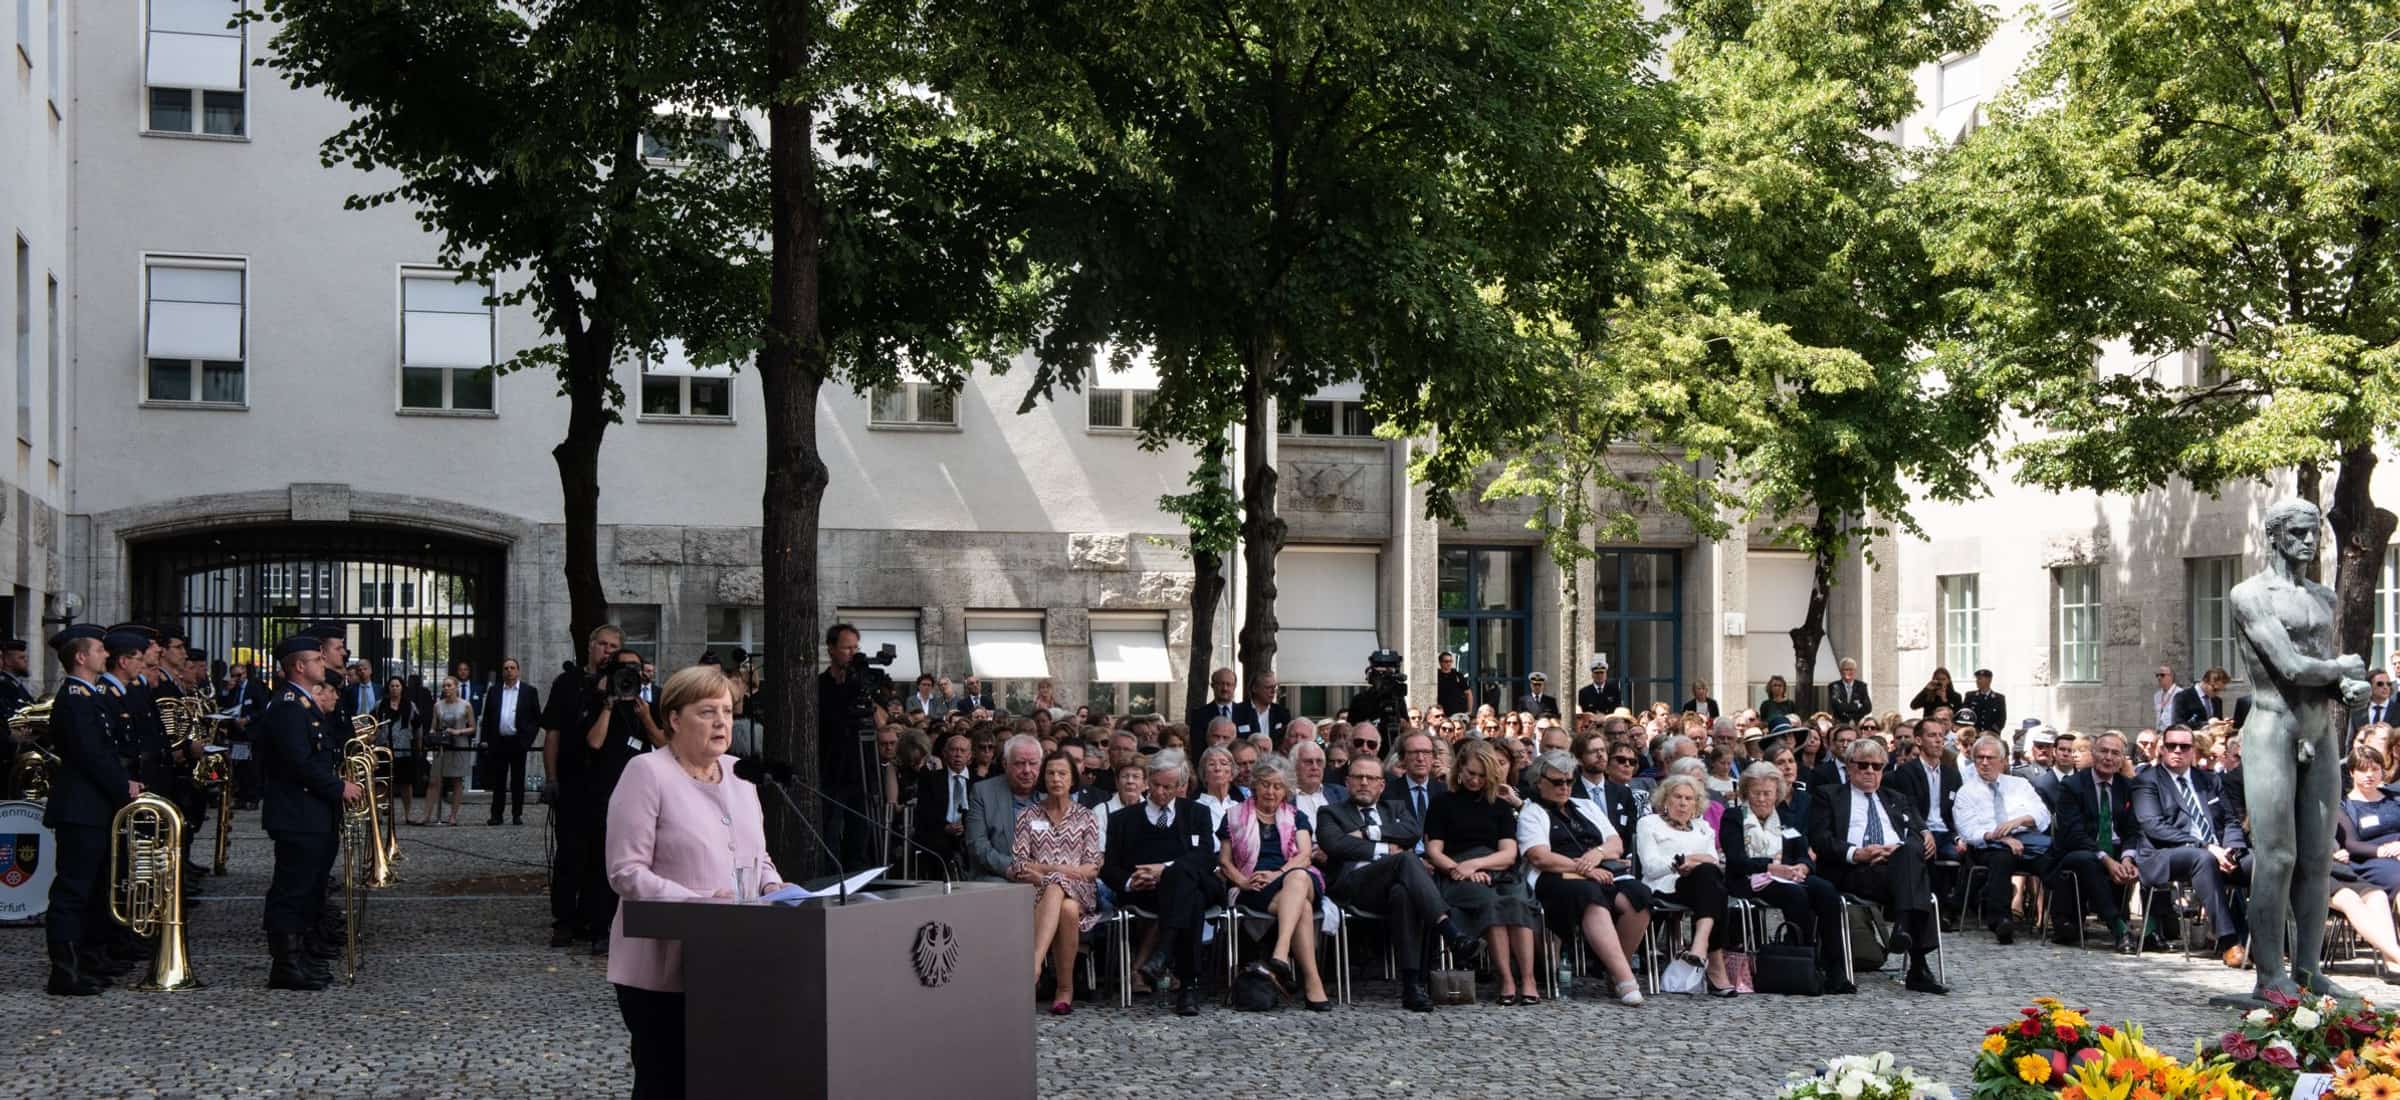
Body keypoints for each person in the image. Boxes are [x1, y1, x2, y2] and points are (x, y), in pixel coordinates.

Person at [605, 664, 782, 1100]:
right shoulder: (647, 773)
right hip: (662, 966)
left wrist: (776, 889)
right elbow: (625, 872)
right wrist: (701, 903)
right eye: (708, 712)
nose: (722, 722)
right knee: (668, 1081)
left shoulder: (742, 776)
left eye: (727, 711)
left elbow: (757, 858)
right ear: (675, 719)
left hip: (735, 958)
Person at [256, 633, 362, 990]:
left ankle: (301, 955)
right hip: (296, 813)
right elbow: (298, 763)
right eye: (316, 660)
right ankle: (285, 963)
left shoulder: (303, 704)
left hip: (312, 813)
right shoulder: (288, 706)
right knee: (293, 888)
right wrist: (339, 788)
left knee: (310, 886)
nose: (323, 664)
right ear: (299, 667)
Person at [39, 625, 139, 995]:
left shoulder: (88, 696)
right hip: (80, 807)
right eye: (98, 649)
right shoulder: (76, 698)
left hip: (94, 805)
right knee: (73, 890)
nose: (105, 655)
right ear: (81, 657)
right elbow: (90, 754)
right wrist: (121, 785)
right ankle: (64, 971)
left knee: (94, 887)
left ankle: (84, 960)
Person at [1805, 737, 1948, 994]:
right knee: (1918, 882)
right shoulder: (1829, 795)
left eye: (1877, 766)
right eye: (1863, 765)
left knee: (1912, 852)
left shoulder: (1897, 798)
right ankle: (1918, 964)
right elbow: (1820, 839)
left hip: (1896, 869)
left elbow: (1917, 832)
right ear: (1849, 767)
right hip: (1853, 871)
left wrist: (1899, 848)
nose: (1870, 771)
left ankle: (1904, 927)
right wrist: (1857, 853)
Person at [1319, 754, 1458, 1011]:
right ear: (1347, 782)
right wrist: (1385, 850)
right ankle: (1449, 930)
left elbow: (1412, 831)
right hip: (1354, 886)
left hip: (1389, 887)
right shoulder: (1330, 812)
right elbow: (1334, 844)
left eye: (1370, 778)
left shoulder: (1395, 808)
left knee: (1402, 893)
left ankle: (1411, 987)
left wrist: (1367, 833)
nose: (1363, 783)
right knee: (1405, 859)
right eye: (1358, 777)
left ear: (1381, 785)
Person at [1520, 749, 1649, 1005]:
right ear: (1539, 782)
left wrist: (1597, 854)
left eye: (1569, 781)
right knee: (1590, 895)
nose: (1565, 787)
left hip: (1599, 869)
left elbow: (1615, 843)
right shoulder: (1532, 812)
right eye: (1557, 782)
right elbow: (1540, 857)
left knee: (1639, 895)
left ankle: (1613, 970)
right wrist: (1587, 869)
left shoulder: (1586, 806)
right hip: (1556, 877)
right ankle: (1625, 979)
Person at [1423, 739, 1538, 1004]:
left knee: (1517, 902)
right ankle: (1507, 979)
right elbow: (1435, 851)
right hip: (1455, 872)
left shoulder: (1498, 806)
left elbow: (1509, 853)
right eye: (1471, 773)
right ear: (1460, 769)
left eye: (1482, 776)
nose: (1475, 780)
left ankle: (1529, 979)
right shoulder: (1442, 802)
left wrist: (1477, 865)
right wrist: (1460, 869)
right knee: (1493, 905)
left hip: (1496, 869)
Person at [1104, 750, 1218, 1016]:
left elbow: (1205, 858)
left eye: (1168, 787)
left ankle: (1165, 953)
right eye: (1155, 784)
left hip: (1189, 888)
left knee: (1184, 879)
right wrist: (1132, 881)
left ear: (1181, 786)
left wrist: (1164, 870)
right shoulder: (1123, 819)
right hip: (1147, 893)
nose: (1160, 792)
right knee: (1192, 898)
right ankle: (1187, 987)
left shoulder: (1197, 813)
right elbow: (1109, 868)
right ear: (1147, 781)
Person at [573, 642, 664, 955]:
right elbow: (594, 742)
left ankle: (640, 929)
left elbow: (665, 744)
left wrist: (647, 716)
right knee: (604, 862)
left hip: (645, 794)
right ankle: (601, 929)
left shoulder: (653, 700)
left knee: (644, 862)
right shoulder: (598, 700)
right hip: (606, 791)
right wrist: (609, 705)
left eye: (635, 669)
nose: (630, 675)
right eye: (624, 669)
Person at [1217, 754, 1329, 1010]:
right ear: (1255, 784)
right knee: (1303, 908)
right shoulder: (1233, 816)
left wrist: (1279, 873)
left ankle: (1280, 951)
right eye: (1265, 784)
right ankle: (1313, 984)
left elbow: (1303, 855)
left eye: (1277, 786)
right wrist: (1242, 883)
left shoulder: (1296, 815)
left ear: (1286, 790)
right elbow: (1224, 862)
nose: (1271, 791)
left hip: (1294, 874)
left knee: (1298, 877)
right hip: (1254, 884)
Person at [1723, 761, 1846, 992]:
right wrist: (1770, 867)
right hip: (1749, 878)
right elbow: (1736, 860)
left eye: (1767, 793)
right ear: (1746, 793)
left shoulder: (1785, 819)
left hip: (1787, 874)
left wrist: (1803, 867)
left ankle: (1834, 965)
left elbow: (1804, 853)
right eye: (1756, 793)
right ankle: (1804, 958)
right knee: (1795, 894)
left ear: (1776, 794)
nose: (1761, 799)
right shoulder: (1734, 817)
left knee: (1826, 891)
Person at [2132, 724, 2248, 964]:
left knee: (2259, 865)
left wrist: (2232, 849)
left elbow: (2230, 820)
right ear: (2161, 750)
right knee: (2202, 859)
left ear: (2193, 750)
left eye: (2184, 746)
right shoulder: (2147, 781)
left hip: (2217, 851)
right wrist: (2205, 846)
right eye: (2171, 746)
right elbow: (2154, 826)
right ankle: (2229, 942)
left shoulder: (2208, 780)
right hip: (2163, 854)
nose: (2177, 751)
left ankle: (2262, 940)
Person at [1015, 751, 1104, 1015]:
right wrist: (1058, 869)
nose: (1056, 778)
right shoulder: (1027, 815)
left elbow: (1092, 867)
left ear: (1072, 779)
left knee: (1057, 886)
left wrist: (1049, 871)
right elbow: (1019, 863)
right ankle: (1064, 990)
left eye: (1062, 773)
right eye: (1051, 773)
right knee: (1064, 906)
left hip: (1080, 892)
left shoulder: (1086, 816)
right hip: (1036, 893)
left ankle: (1034, 962)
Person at [2045, 731, 2142, 952]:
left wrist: (2128, 858)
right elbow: (2074, 834)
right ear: (2093, 754)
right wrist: (2106, 859)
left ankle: (2153, 930)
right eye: (2103, 751)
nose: (2108, 757)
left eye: (2115, 753)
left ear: (2121, 759)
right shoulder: (2072, 785)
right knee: (2090, 860)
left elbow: (2133, 829)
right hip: (2076, 851)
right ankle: (2118, 927)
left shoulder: (2127, 787)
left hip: (2117, 850)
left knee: (2150, 857)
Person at [1638, 774, 1735, 996]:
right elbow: (1651, 867)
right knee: (1714, 887)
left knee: (1709, 877)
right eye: (1678, 797)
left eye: (1689, 799)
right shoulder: (1649, 824)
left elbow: (1713, 860)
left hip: (1698, 885)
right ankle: (1713, 963)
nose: (1683, 803)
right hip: (1664, 885)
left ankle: (1700, 947)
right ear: (1666, 799)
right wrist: (1680, 863)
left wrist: (1692, 863)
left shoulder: (1703, 828)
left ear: (1696, 803)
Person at [1951, 733, 2053, 943]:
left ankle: (2061, 921)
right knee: (2002, 858)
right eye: (1980, 757)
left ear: (2003, 761)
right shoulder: (1966, 792)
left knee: (2051, 859)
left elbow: (2042, 816)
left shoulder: (2019, 785)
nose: (1985, 762)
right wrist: (2001, 838)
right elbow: (1968, 830)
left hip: (2024, 841)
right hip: (1986, 846)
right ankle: (2001, 920)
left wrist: (2019, 821)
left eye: (1991, 758)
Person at [2331, 745, 2400, 974]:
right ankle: (2394, 957)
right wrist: (2382, 851)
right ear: (2352, 773)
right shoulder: (2344, 807)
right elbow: (2351, 844)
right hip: (2370, 860)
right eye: (2362, 770)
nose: (2369, 775)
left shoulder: (2394, 798)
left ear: (2382, 771)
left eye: (2375, 769)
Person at [963, 734, 1044, 882]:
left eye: (1033, 763)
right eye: (1019, 763)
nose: (1027, 770)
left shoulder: (1049, 794)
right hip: (998, 874)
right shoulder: (983, 792)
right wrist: (1010, 869)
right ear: (1005, 764)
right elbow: (977, 843)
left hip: (1043, 872)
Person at [1886, 715, 1962, 862]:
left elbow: (1959, 808)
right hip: (1919, 832)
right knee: (1921, 853)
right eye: (1932, 735)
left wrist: (1959, 837)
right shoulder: (1906, 771)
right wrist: (1924, 831)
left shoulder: (1952, 774)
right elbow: (1909, 806)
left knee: (1967, 853)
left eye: (1941, 735)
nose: (1939, 740)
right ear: (1919, 740)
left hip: (1947, 834)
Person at [478, 657, 541, 825]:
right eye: (506, 668)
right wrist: (485, 739)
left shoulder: (529, 691)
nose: (509, 671)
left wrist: (527, 739)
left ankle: (517, 814)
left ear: (518, 671)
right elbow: (488, 717)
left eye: (512, 668)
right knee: (498, 780)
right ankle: (496, 815)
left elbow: (536, 719)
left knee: (517, 780)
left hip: (518, 741)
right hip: (499, 741)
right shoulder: (495, 691)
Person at [914, 732, 976, 878]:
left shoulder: (978, 782)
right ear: (945, 753)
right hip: (939, 834)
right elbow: (923, 812)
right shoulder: (931, 779)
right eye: (953, 750)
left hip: (970, 834)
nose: (957, 754)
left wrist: (966, 826)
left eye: (962, 751)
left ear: (969, 756)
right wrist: (945, 827)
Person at [374, 676, 426, 826]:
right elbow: (372, 725)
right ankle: (378, 814)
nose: (395, 688)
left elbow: (418, 727)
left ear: (402, 688)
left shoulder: (410, 706)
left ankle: (408, 814)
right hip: (384, 749)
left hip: (404, 750)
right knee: (382, 783)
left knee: (405, 784)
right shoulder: (380, 706)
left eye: (397, 686)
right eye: (392, 685)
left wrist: (419, 745)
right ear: (388, 688)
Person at [429, 677, 474, 826]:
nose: (446, 688)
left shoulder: (466, 705)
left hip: (459, 744)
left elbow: (473, 727)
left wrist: (458, 731)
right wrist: (433, 735)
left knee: (456, 780)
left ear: (456, 687)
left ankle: (453, 815)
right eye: (444, 686)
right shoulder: (437, 706)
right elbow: (433, 726)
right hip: (442, 746)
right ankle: (428, 814)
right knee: (435, 780)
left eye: (449, 685)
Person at [1231, 672, 1291, 743]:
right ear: (1254, 688)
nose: (1273, 691)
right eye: (1268, 687)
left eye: (1274, 687)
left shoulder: (1282, 713)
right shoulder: (1237, 711)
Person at [1827, 659, 1872, 724]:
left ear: (1855, 671)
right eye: (1846, 669)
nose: (1849, 672)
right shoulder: (1835, 686)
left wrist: (1853, 718)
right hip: (1840, 723)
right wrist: (1857, 706)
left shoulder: (1861, 686)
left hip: (1857, 723)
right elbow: (1836, 706)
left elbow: (1868, 708)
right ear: (1840, 671)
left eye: (1851, 669)